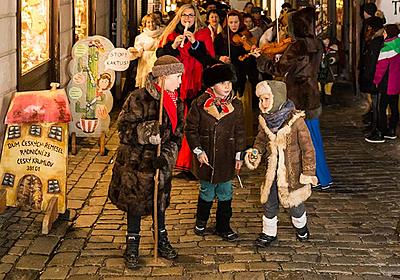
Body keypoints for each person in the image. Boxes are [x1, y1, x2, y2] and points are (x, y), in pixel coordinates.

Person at [108, 55, 184, 268]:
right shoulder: (138, 98)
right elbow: (123, 130)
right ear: (163, 77)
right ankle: (132, 243)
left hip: (158, 165)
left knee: (159, 204)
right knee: (135, 205)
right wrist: (148, 133)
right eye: (177, 77)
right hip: (136, 166)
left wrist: (167, 156)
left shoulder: (177, 102)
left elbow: (178, 134)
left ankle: (161, 239)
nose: (180, 82)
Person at [256, 6, 332, 190]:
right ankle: (322, 177)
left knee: (305, 140)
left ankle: (316, 177)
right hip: (312, 94)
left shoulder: (297, 45)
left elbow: (279, 70)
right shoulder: (317, 43)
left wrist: (262, 58)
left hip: (297, 96)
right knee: (314, 138)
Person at [245, 80, 317, 246]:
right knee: (269, 203)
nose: (262, 104)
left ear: (276, 98)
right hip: (272, 172)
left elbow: (308, 149)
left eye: (266, 99)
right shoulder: (265, 121)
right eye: (261, 100)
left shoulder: (296, 122)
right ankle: (268, 233)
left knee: (295, 205)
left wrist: (308, 172)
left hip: (292, 173)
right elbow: (260, 141)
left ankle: (301, 227)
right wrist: (255, 152)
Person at [185, 63, 246, 241]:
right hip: (207, 157)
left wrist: (239, 155)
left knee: (226, 191)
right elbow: (190, 130)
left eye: (229, 82)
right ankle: (201, 220)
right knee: (207, 191)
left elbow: (240, 132)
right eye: (222, 83)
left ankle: (223, 226)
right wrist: (198, 150)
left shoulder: (236, 105)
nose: (227, 86)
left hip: (227, 157)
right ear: (212, 85)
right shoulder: (199, 103)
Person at [156, 3, 215, 171]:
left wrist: (195, 44)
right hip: (176, 83)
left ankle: (194, 163)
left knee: (194, 121)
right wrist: (173, 46)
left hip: (197, 83)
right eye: (184, 15)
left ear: (196, 17)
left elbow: (208, 59)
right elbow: (161, 58)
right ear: (179, 17)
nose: (187, 18)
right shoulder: (171, 34)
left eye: (190, 15)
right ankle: (177, 159)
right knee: (176, 119)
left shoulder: (203, 34)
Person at [214, 10, 258, 97]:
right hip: (227, 73)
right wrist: (220, 58)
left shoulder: (246, 35)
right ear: (227, 23)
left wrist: (252, 51)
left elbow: (251, 56)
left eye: (236, 22)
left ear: (240, 22)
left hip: (244, 73)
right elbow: (214, 55)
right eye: (231, 22)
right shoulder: (221, 37)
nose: (234, 25)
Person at [370, 23, 400, 142]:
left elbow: (381, 68)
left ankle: (381, 132)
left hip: (386, 83)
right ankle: (392, 130)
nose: (383, 34)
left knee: (381, 107)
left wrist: (375, 80)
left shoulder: (387, 48)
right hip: (397, 83)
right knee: (394, 107)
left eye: (384, 32)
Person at [359, 16, 385, 143]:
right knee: (376, 104)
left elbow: (373, 62)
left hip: (376, 78)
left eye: (369, 26)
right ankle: (375, 127)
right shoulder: (376, 40)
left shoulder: (377, 41)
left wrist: (369, 76)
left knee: (377, 105)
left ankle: (377, 130)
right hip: (375, 77)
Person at [128, 14, 163, 88]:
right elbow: (138, 51)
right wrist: (134, 51)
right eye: (148, 22)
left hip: (158, 59)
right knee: (146, 80)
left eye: (153, 21)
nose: (151, 24)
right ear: (145, 24)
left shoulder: (162, 34)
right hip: (145, 61)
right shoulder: (141, 37)